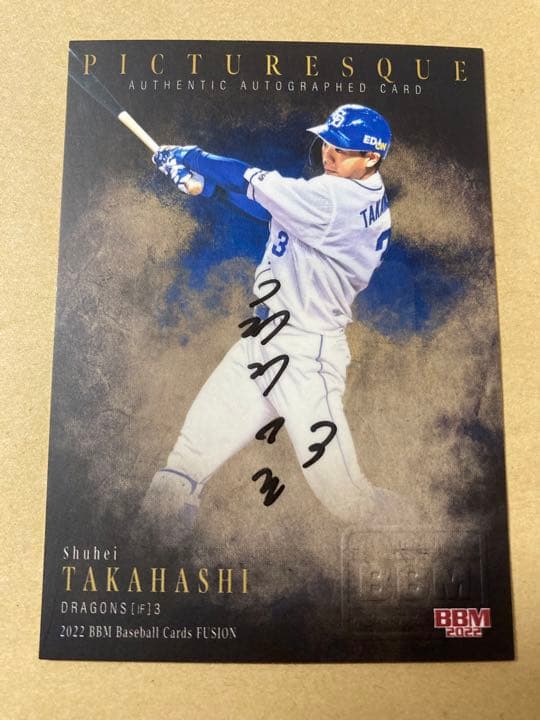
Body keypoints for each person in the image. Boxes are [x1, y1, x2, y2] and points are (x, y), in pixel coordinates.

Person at [142, 104, 405, 539]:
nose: (328, 154)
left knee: (350, 503)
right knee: (183, 467)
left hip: (305, 358)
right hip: (262, 342)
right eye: (327, 143)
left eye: (341, 149)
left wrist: (191, 157)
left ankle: (421, 525)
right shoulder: (349, 190)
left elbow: (250, 179)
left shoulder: (337, 200)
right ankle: (149, 549)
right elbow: (275, 211)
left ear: (372, 157)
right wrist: (206, 189)